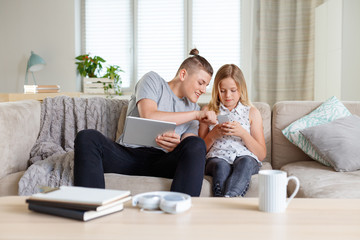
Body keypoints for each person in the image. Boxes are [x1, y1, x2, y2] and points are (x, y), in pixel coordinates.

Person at [73, 49, 217, 197]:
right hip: (128, 155)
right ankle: (91, 207)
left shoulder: (193, 108)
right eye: (201, 83)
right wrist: (196, 114)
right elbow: (148, 115)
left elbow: (189, 146)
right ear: (183, 74)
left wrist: (177, 144)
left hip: (162, 161)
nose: (204, 90)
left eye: (206, 85)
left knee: (196, 143)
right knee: (87, 137)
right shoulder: (152, 80)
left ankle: (178, 208)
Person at [198, 64, 266, 197]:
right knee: (221, 165)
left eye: (233, 90)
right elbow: (199, 151)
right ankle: (229, 199)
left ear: (241, 90)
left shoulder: (251, 113)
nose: (228, 96)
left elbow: (261, 154)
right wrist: (214, 134)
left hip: (245, 158)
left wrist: (243, 133)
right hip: (217, 158)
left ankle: (228, 197)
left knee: (245, 162)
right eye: (222, 91)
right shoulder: (208, 111)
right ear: (216, 90)